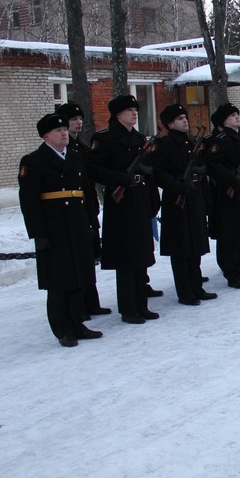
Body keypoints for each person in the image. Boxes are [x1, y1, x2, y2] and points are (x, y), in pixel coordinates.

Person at [19, 113, 103, 347]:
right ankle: (62, 328)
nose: (64, 133)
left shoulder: (75, 157)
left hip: (77, 224)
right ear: (45, 136)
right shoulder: (33, 161)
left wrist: (90, 223)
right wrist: (39, 234)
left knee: (79, 278)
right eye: (58, 131)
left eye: (65, 129)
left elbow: (85, 192)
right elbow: (29, 202)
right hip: (54, 227)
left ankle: (78, 322)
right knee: (59, 282)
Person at [87, 94, 161, 324]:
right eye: (129, 110)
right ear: (118, 114)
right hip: (120, 203)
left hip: (139, 198)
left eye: (136, 109)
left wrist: (153, 200)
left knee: (141, 254)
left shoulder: (140, 139)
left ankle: (142, 304)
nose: (134, 113)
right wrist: (119, 178)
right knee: (126, 258)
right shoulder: (105, 139)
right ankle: (128, 309)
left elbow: (149, 171)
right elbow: (94, 169)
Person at [149, 104, 215, 306]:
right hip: (177, 201)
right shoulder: (165, 144)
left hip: (193, 198)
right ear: (169, 124)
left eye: (185, 117)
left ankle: (196, 286)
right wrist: (177, 186)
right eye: (179, 119)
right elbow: (158, 172)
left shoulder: (191, 142)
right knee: (181, 248)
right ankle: (185, 291)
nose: (185, 120)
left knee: (195, 246)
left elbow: (199, 168)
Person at [56, 101, 110, 318]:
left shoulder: (81, 148)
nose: (78, 123)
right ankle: (80, 306)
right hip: (72, 211)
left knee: (89, 256)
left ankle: (91, 301)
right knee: (78, 259)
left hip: (87, 207)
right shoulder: (63, 150)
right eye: (72, 120)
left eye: (79, 119)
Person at [203, 103, 240, 288]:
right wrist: (231, 176)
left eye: (237, 114)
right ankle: (232, 272)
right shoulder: (220, 140)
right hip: (228, 194)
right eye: (232, 116)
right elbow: (212, 165)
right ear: (223, 121)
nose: (237, 117)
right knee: (230, 233)